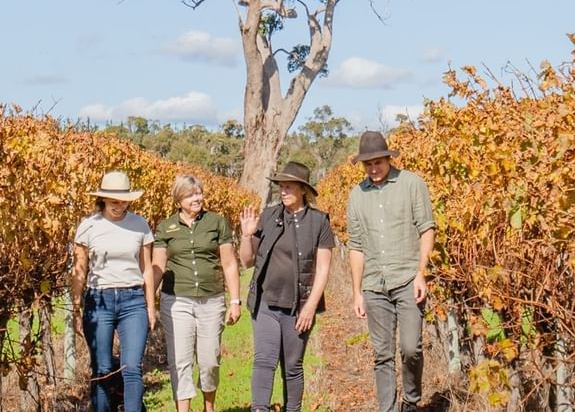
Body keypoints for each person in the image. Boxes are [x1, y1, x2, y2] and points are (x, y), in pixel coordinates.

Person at [346, 131, 436, 412]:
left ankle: (410, 401)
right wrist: (357, 292)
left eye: (377, 163)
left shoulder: (412, 184)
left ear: (388, 158)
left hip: (408, 278)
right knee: (382, 355)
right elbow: (356, 247)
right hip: (374, 285)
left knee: (411, 348)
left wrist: (422, 272)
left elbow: (426, 229)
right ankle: (387, 408)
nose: (373, 169)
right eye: (367, 164)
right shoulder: (356, 196)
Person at [239, 161, 335, 412]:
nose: (283, 191)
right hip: (266, 303)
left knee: (292, 366)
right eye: (281, 186)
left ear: (303, 189)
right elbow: (246, 260)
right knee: (264, 360)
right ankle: (259, 408)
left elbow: (323, 268)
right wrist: (247, 235)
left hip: (299, 306)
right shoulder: (269, 216)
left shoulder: (319, 221)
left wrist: (310, 307)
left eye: (288, 187)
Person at [152, 174, 242, 412]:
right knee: (180, 360)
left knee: (209, 360)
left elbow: (230, 263)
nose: (196, 198)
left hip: (211, 300)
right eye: (190, 195)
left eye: (198, 193)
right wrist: (148, 300)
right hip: (177, 301)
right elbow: (158, 267)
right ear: (178, 199)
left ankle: (208, 407)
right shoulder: (165, 227)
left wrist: (235, 301)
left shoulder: (216, 223)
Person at [71, 170, 157, 412]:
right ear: (103, 200)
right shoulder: (89, 226)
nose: (119, 206)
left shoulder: (140, 225)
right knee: (102, 369)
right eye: (113, 202)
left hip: (133, 300)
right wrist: (76, 309)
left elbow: (147, 268)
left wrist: (151, 307)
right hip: (100, 300)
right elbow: (79, 271)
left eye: (123, 201)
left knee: (132, 368)